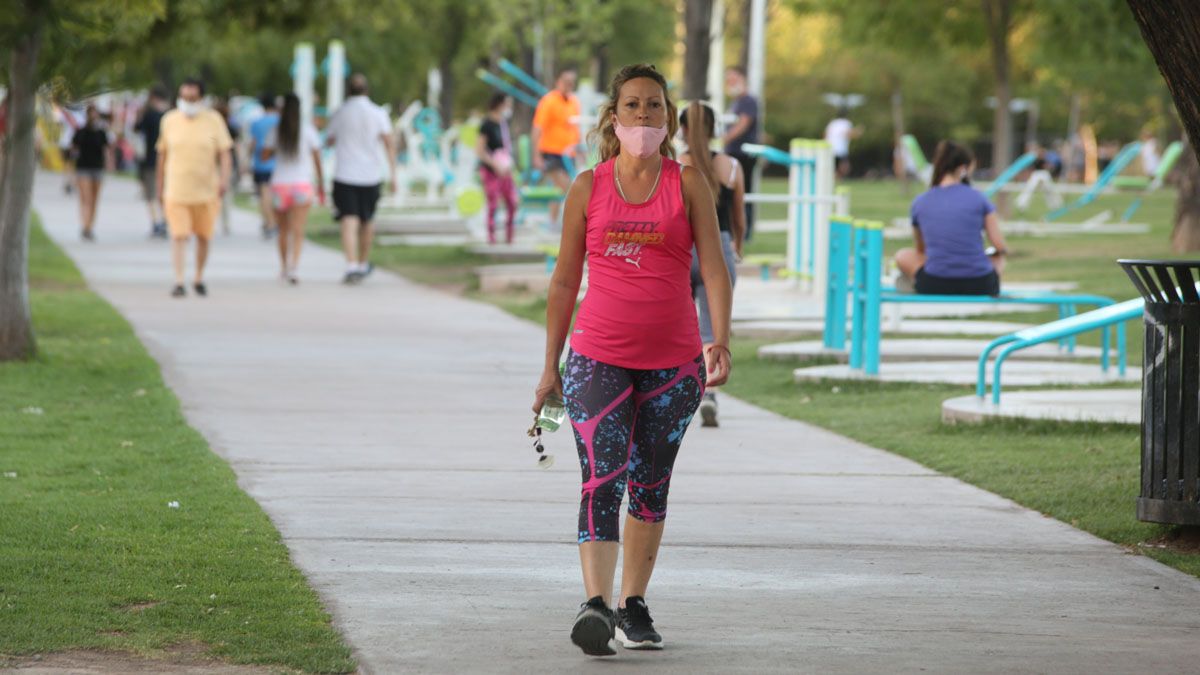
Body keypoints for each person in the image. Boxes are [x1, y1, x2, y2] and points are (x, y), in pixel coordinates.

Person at [531, 63, 732, 657]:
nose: (643, 115)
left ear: (667, 118)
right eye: (632, 105)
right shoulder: (587, 187)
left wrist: (718, 336)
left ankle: (633, 604)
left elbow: (714, 269)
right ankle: (594, 604)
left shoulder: (688, 182)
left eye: (653, 105)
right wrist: (550, 366)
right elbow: (565, 281)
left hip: (674, 366)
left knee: (651, 482)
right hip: (596, 358)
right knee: (601, 476)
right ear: (612, 118)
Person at [679, 101, 745, 428]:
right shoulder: (731, 167)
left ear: (683, 130)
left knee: (677, 326)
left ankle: (672, 390)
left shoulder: (675, 166)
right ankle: (708, 394)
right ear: (714, 128)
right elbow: (739, 219)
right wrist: (738, 245)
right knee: (710, 331)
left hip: (682, 250)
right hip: (719, 248)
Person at [894, 141, 1009, 296]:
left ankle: (914, 282)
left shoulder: (920, 202)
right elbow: (999, 246)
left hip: (934, 283)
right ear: (963, 169)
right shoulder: (980, 198)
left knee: (902, 255)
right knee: (998, 258)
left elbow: (921, 250)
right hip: (981, 284)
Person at [156, 77, 233, 298]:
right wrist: (160, 186)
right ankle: (179, 280)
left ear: (200, 97)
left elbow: (225, 153)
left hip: (206, 191)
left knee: (204, 236)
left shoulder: (213, 120)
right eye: (184, 97)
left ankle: (198, 276)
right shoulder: (169, 120)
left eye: (192, 97)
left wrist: (224, 180)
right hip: (177, 190)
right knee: (178, 235)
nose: (188, 101)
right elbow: (162, 155)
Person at [326, 73, 396, 284]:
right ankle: (363, 262)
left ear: (348, 90)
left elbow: (329, 140)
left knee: (348, 219)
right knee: (367, 220)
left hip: (345, 173)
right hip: (370, 175)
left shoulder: (340, 113)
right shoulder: (378, 113)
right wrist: (394, 174)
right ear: (367, 90)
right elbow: (389, 144)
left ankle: (351, 264)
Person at [262, 93, 324, 284]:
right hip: (301, 186)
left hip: (280, 185)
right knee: (298, 231)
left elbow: (264, 156)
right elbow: (317, 160)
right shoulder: (308, 131)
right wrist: (321, 183)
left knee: (283, 230)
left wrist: (275, 151)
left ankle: (283, 267)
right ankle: (294, 268)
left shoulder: (276, 131)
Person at [532, 68, 582, 226]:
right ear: (558, 82)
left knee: (558, 189)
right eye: (566, 82)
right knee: (568, 187)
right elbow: (537, 129)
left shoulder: (574, 102)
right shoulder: (549, 101)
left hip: (569, 153)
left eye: (572, 83)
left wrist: (579, 149)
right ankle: (573, 222)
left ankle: (552, 222)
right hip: (551, 152)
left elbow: (575, 128)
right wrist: (536, 155)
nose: (569, 85)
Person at [720, 66, 759, 240]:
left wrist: (723, 140)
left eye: (733, 78)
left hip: (743, 154)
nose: (730, 82)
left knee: (743, 192)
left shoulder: (748, 101)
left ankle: (745, 231)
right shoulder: (736, 102)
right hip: (733, 152)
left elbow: (742, 125)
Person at [476, 93, 519, 244]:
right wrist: (495, 165)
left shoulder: (504, 124)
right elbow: (480, 150)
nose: (509, 108)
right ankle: (491, 236)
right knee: (493, 203)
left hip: (505, 169)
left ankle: (509, 236)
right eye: (508, 104)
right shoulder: (487, 124)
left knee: (512, 202)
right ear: (499, 104)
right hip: (491, 170)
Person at [71, 105, 113, 242]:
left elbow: (106, 150)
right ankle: (85, 226)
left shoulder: (101, 132)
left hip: (97, 168)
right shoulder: (81, 132)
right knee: (86, 199)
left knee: (94, 200)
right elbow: (73, 150)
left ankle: (90, 226)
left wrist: (109, 165)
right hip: (83, 168)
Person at [135, 86, 170, 238]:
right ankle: (165, 220)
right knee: (165, 193)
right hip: (168, 160)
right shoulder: (170, 116)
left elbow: (137, 129)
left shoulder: (149, 115)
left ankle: (157, 222)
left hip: (150, 159)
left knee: (151, 194)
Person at [249, 93, 280, 239]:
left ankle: (268, 222)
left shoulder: (257, 122)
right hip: (278, 163)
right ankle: (273, 221)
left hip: (260, 162)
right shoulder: (280, 121)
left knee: (264, 194)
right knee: (274, 195)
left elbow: (253, 143)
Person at [214, 98, 241, 236]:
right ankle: (226, 222)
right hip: (229, 164)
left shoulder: (213, 128)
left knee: (214, 194)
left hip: (214, 165)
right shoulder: (231, 128)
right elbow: (236, 148)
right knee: (226, 194)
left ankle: (214, 219)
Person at [824, 109, 860, 178]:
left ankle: (835, 179)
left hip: (829, 147)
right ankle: (837, 179)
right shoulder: (846, 123)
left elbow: (825, 135)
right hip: (840, 149)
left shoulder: (832, 123)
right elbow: (847, 134)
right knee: (845, 167)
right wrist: (857, 133)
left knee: (834, 167)